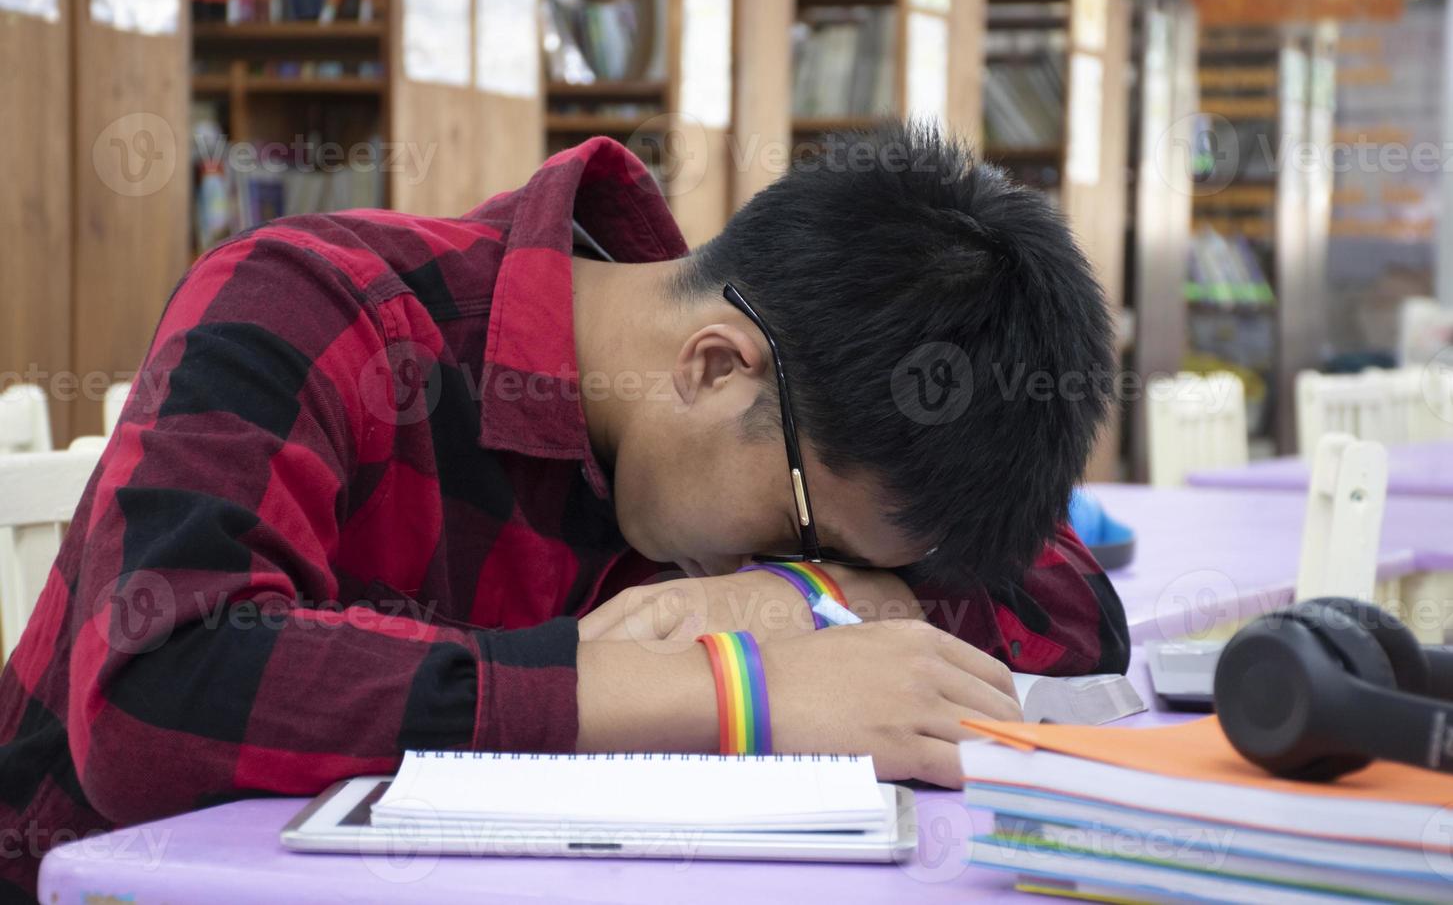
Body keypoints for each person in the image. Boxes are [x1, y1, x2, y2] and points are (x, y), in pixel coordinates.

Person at [0, 123, 1126, 898]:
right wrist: (729, 691)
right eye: (800, 527)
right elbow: (157, 688)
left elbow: (1072, 607)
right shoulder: (315, 303)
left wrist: (800, 593)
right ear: (712, 366)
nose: (771, 558)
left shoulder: (774, 420)